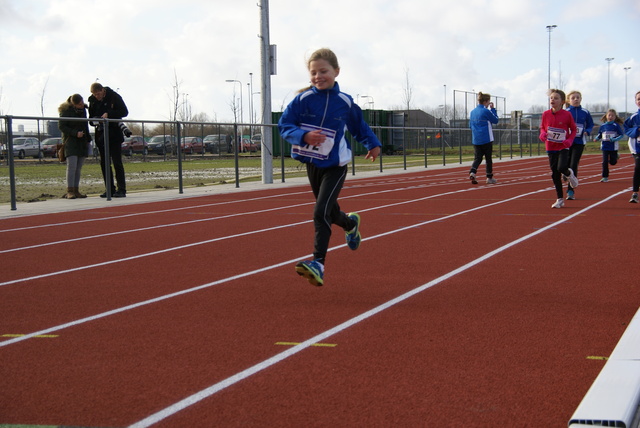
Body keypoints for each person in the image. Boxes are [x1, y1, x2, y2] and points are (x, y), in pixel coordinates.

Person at [278, 48, 381, 286]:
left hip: (335, 164)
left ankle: (318, 263)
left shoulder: (344, 102)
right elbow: (285, 126)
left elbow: (358, 125)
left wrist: (372, 144)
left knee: (320, 212)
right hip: (313, 163)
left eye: (323, 71)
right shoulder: (303, 100)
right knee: (330, 212)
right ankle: (350, 224)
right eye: (313, 73)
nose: (318, 76)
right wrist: (303, 136)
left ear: (336, 71)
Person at [539, 89, 578, 208]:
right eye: (551, 98)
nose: (553, 100)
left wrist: (569, 140)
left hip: (563, 147)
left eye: (556, 98)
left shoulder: (567, 114)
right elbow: (542, 128)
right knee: (555, 174)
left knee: (561, 167)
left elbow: (574, 130)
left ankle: (569, 173)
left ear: (562, 101)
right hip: (550, 147)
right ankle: (560, 199)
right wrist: (542, 134)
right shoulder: (546, 114)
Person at [88, 82, 129, 198]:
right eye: (94, 94)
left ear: (102, 90)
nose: (97, 96)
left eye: (98, 94)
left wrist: (109, 114)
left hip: (114, 134)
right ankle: (109, 189)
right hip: (101, 135)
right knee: (104, 163)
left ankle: (122, 189)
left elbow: (124, 112)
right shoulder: (92, 101)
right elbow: (90, 119)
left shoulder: (114, 96)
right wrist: (96, 120)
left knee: (117, 162)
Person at [58, 94, 91, 199]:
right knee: (72, 166)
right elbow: (62, 126)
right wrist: (75, 133)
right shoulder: (65, 111)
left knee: (79, 167)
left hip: (82, 142)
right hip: (71, 142)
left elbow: (85, 125)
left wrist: (88, 138)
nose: (82, 105)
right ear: (73, 104)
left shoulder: (83, 110)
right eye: (79, 104)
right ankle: (70, 190)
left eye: (82, 103)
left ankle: (76, 190)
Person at [564, 90, 594, 199]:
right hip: (567, 142)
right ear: (569, 100)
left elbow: (590, 124)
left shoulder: (585, 112)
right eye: (573, 98)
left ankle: (570, 190)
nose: (576, 99)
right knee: (565, 164)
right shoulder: (566, 112)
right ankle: (565, 172)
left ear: (581, 99)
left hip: (579, 142)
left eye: (578, 97)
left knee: (574, 164)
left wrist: (588, 131)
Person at [469, 92, 499, 184]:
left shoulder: (472, 112)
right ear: (486, 101)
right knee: (488, 158)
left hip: (476, 139)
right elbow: (495, 120)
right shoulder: (486, 111)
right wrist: (493, 109)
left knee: (478, 158)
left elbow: (470, 125)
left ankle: (473, 172)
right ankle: (489, 177)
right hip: (486, 138)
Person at [595, 109, 624, 183]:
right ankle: (605, 177)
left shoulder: (616, 126)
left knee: (613, 162)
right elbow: (600, 134)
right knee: (604, 162)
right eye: (609, 115)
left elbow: (621, 135)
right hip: (605, 146)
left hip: (613, 147)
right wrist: (597, 138)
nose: (610, 117)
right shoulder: (603, 126)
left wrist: (614, 139)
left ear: (615, 117)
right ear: (606, 116)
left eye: (612, 115)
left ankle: (616, 155)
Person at [624, 90, 640, 203]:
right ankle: (635, 193)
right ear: (635, 102)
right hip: (637, 148)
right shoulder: (633, 117)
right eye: (639, 99)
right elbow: (626, 129)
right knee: (638, 167)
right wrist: (636, 130)